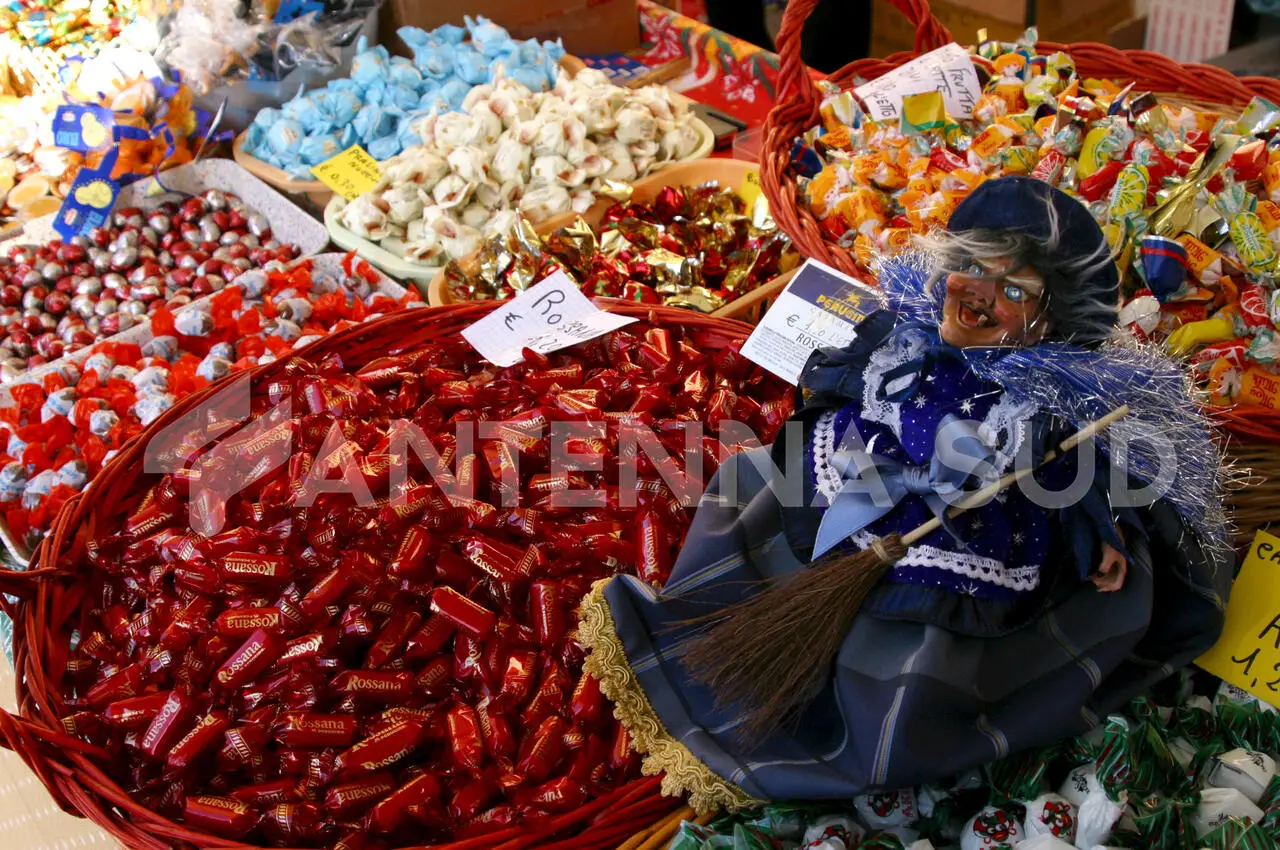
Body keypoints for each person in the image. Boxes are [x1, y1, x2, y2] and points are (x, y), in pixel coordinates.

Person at [578, 176, 1233, 812]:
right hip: (867, 472)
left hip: (967, 527)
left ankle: (860, 723)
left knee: (907, 630)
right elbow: (847, 373)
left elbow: (1072, 469)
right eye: (972, 264)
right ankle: (722, 626)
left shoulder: (1040, 408)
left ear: (1049, 323)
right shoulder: (909, 339)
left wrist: (1099, 536)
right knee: (754, 486)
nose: (979, 293)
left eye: (1012, 289)